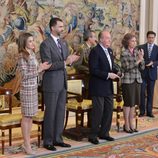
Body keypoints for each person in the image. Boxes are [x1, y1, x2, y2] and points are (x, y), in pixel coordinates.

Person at [40, 17, 79, 151]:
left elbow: (66, 61)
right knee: (50, 113)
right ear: (53, 28)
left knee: (60, 112)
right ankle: (48, 141)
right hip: (51, 83)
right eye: (60, 27)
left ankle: (58, 139)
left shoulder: (63, 43)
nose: (63, 29)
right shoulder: (45, 44)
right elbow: (48, 65)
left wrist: (72, 60)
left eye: (63, 27)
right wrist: (66, 62)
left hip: (62, 82)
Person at [17, 32, 51, 155]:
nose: (33, 43)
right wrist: (40, 69)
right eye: (30, 41)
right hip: (26, 89)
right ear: (24, 42)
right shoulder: (22, 56)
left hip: (33, 89)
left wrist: (42, 68)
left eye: (33, 40)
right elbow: (24, 76)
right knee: (26, 117)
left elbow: (35, 73)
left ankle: (27, 142)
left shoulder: (31, 54)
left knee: (30, 116)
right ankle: (26, 144)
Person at [88, 30, 120, 145]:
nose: (109, 40)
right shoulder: (95, 51)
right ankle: (93, 135)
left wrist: (118, 72)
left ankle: (104, 133)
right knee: (98, 111)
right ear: (101, 39)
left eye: (110, 38)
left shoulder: (110, 51)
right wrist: (108, 75)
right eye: (107, 38)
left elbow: (111, 67)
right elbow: (93, 70)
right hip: (98, 86)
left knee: (108, 110)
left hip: (108, 86)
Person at [120, 33, 145, 133]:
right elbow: (126, 68)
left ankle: (132, 124)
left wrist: (141, 58)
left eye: (135, 41)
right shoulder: (124, 53)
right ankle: (126, 125)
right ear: (127, 42)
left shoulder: (137, 52)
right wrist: (138, 60)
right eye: (132, 41)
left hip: (137, 80)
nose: (135, 43)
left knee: (133, 104)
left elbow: (142, 68)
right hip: (127, 81)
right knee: (128, 103)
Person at [139, 31, 158, 117]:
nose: (151, 39)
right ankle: (142, 111)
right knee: (142, 93)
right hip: (142, 74)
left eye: (152, 37)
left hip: (152, 74)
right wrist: (147, 63)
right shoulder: (141, 47)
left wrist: (153, 63)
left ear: (154, 38)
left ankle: (149, 111)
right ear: (147, 38)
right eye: (149, 37)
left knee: (150, 93)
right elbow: (139, 58)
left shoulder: (157, 48)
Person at [74, 30, 97, 98]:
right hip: (85, 78)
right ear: (89, 38)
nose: (95, 39)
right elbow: (76, 65)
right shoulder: (82, 48)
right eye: (94, 37)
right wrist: (89, 69)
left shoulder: (93, 48)